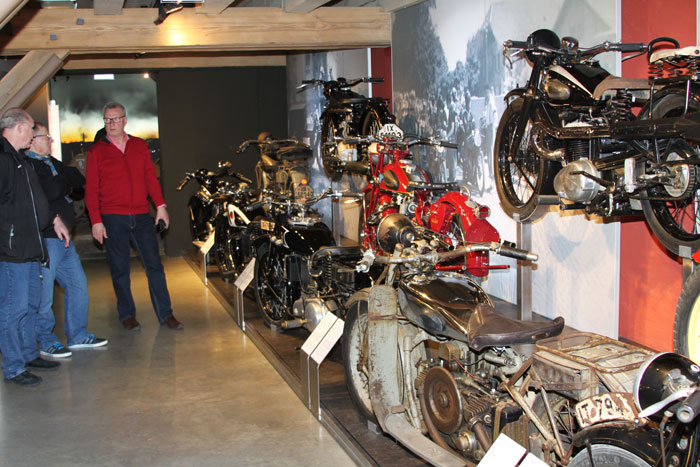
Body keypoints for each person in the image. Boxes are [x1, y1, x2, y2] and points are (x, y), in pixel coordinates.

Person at [85, 102, 183, 331]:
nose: (111, 124)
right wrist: (96, 221)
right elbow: (91, 190)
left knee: (154, 266)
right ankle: (127, 315)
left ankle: (166, 314)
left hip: (141, 215)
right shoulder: (96, 152)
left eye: (115, 119)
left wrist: (160, 206)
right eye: (107, 120)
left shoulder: (139, 146)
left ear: (125, 120)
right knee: (120, 268)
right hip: (112, 217)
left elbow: (150, 178)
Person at [25, 123, 108, 357]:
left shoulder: (49, 162)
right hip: (47, 239)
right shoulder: (29, 165)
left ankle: (78, 335)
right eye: (46, 137)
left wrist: (59, 183)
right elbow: (48, 192)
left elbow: (77, 178)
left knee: (78, 286)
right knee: (44, 297)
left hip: (65, 241)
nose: (51, 141)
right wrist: (62, 184)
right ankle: (46, 340)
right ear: (33, 140)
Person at [0, 108, 69, 386]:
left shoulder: (22, 160)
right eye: (31, 130)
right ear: (19, 128)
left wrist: (54, 219)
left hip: (31, 245)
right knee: (12, 310)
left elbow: (34, 198)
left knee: (30, 305)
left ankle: (29, 355)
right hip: (13, 249)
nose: (33, 135)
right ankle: (14, 367)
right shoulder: (3, 160)